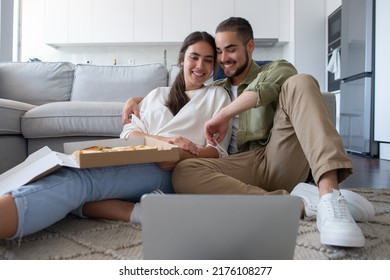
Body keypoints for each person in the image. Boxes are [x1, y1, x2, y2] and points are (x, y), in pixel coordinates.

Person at [123, 17, 375, 248]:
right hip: (240, 166)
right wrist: (135, 99)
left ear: (250, 46)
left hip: (277, 157)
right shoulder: (215, 88)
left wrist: (225, 114)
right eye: (219, 52)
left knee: (301, 82)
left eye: (230, 49)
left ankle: (329, 195)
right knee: (185, 171)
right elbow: (180, 92)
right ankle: (301, 204)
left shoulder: (275, 69)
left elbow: (272, 85)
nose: (223, 59)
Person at [0, 31, 232, 240]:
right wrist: (164, 142)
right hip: (137, 155)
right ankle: (143, 212)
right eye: (194, 57)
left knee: (80, 181)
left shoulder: (218, 97)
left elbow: (217, 152)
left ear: (213, 67)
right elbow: (130, 131)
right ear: (181, 60)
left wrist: (180, 154)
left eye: (208, 60)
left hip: (169, 170)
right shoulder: (157, 94)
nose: (200, 65)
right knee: (68, 169)